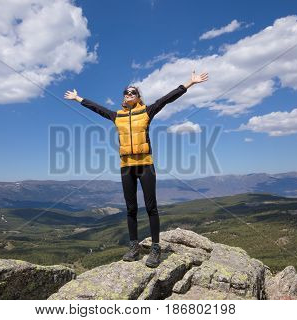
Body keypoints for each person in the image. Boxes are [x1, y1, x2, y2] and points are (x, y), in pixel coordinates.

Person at [64, 71, 208, 268]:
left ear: (138, 97)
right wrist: (78, 98)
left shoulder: (147, 112)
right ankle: (134, 247)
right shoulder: (117, 116)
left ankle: (156, 248)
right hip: (126, 168)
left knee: (151, 207)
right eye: (126, 92)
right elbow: (96, 108)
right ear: (124, 97)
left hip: (145, 165)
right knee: (131, 209)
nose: (129, 94)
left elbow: (167, 98)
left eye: (133, 92)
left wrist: (190, 83)